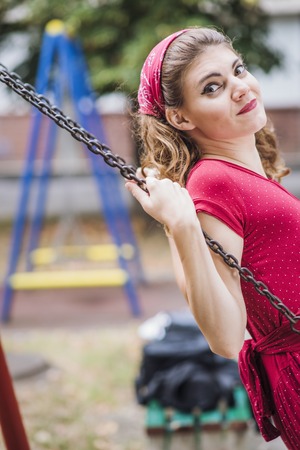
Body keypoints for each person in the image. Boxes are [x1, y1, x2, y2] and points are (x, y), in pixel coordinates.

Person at [125, 27, 300, 449]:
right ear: (181, 118)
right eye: (213, 87)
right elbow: (224, 336)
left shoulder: (244, 175)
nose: (239, 87)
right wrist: (182, 227)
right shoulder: (215, 182)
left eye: (237, 70)